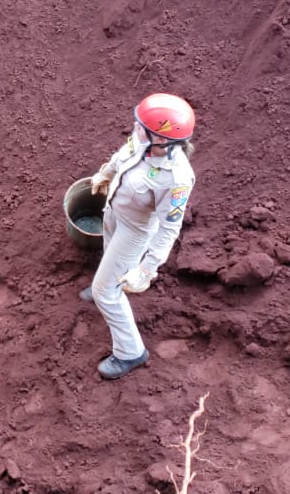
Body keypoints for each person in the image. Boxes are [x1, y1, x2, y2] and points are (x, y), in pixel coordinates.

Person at [81, 93, 197, 380]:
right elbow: (122, 155)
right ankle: (104, 286)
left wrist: (146, 270)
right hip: (114, 213)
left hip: (135, 232)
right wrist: (105, 174)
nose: (134, 128)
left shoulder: (177, 177)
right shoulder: (144, 142)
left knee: (105, 292)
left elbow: (170, 228)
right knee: (108, 258)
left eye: (141, 126)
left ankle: (130, 352)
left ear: (162, 139)